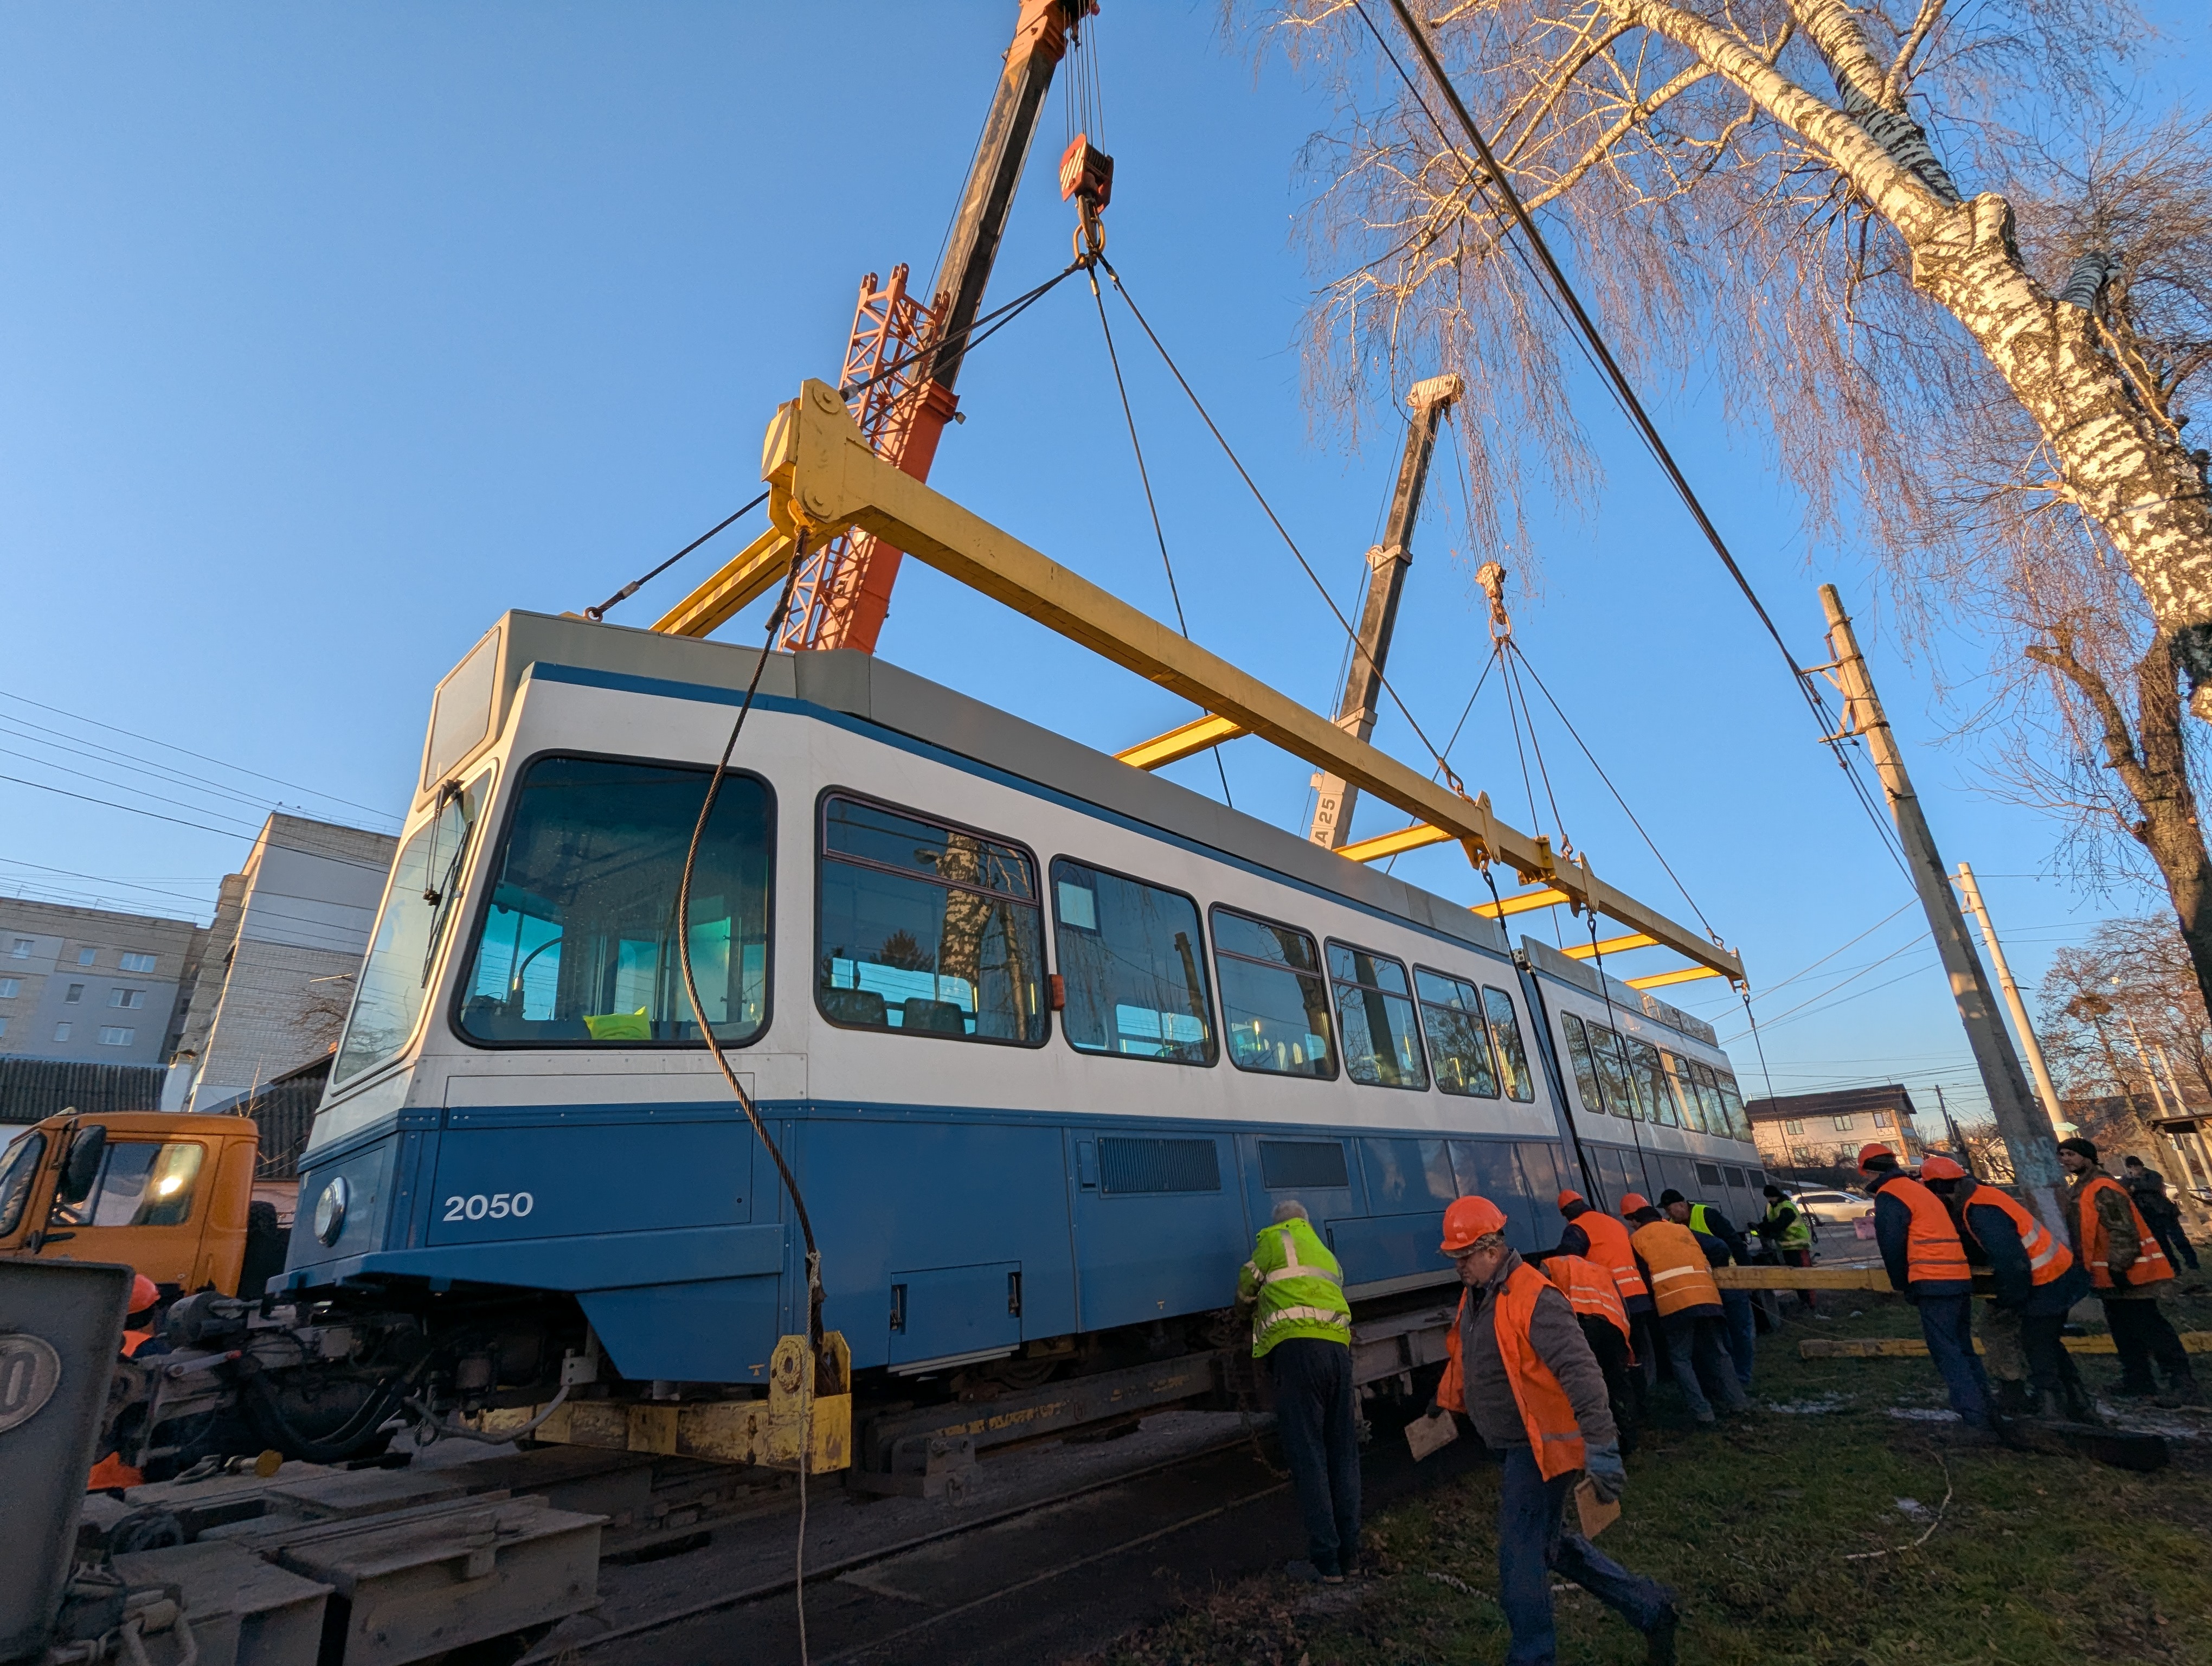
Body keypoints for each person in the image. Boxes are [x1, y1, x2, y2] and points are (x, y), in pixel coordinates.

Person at [1436, 1195, 1678, 1666]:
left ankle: (1533, 1656)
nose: (1458, 1265)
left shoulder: (1534, 1295)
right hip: (1512, 1444)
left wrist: (1603, 1446)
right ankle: (1650, 1607)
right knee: (1554, 1547)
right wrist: (1442, 1401)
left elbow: (1581, 1372)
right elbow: (1471, 1358)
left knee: (1520, 1557)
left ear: (1491, 1248)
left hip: (1540, 1447)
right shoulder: (1478, 1295)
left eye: (1463, 1256)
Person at [1235, 1200, 1360, 1582]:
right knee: (1343, 1454)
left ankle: (1326, 1563)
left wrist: (1243, 1312)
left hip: (1297, 1354)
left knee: (1309, 1457)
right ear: (1306, 1222)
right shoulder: (1324, 1251)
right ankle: (1351, 1559)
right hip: (1339, 1353)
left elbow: (1245, 1287)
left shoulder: (1274, 1241)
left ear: (1281, 1223)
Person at [1920, 1156, 2093, 1422]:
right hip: (2051, 1275)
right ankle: (2075, 1401)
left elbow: (2010, 1259)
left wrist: (2010, 1299)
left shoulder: (1980, 1208)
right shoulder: (1979, 1198)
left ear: (1939, 1189)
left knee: (2036, 1341)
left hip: (2045, 1280)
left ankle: (2051, 1406)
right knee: (2042, 1340)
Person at [2057, 1137, 2202, 1406]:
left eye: (2071, 1154)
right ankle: (2138, 1381)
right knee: (2123, 1331)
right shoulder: (2083, 1187)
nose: (2065, 1159)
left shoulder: (2102, 1187)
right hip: (2109, 1276)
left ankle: (2182, 1384)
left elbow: (2123, 1230)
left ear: (2087, 1157)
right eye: (2062, 1155)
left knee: (2150, 1328)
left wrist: (2119, 1266)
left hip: (2130, 1273)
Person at [1861, 1145, 1993, 1432]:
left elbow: (1892, 1245)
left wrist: (1903, 1285)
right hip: (1957, 1277)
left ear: (1868, 1171)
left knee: (1947, 1351)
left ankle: (1976, 1420)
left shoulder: (1891, 1195)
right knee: (1963, 1348)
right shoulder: (1917, 1189)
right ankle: (1987, 1409)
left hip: (1933, 1282)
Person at [1625, 1198, 1748, 1425]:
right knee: (1719, 1352)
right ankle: (1738, 1402)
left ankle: (1703, 1412)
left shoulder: (1637, 1240)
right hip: (1707, 1298)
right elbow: (1720, 1247)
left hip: (1674, 1305)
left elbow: (1643, 1277)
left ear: (1637, 1222)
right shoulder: (1682, 1230)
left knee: (1681, 1359)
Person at [1547, 1222, 1642, 1453]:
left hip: (1582, 1329)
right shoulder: (1600, 1269)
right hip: (1613, 1328)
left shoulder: (1551, 1265)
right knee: (1618, 1383)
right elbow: (1623, 1307)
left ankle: (1594, 1443)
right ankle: (1630, 1441)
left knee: (1587, 1385)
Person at [1558, 1189, 1658, 1391]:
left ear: (1566, 1213)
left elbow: (1568, 1260)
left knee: (1620, 1351)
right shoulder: (1614, 1223)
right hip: (1638, 1294)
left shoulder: (1577, 1228)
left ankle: (1631, 1395)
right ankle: (1649, 1388)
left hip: (1613, 1299)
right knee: (1642, 1345)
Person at [1661, 1189, 1755, 1391]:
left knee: (1739, 1331)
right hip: (1706, 1286)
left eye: (1671, 1210)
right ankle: (1731, 1378)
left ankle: (1743, 1376)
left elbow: (1734, 1243)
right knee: (1722, 1334)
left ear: (1681, 1204)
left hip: (1730, 1281)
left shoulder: (1706, 1214)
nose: (1670, 1215)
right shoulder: (1671, 1226)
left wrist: (1746, 1276)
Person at [87, 1273, 164, 1492]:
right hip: (121, 1472)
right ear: (150, 1313)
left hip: (84, 1467)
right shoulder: (153, 1350)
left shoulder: (94, 1342)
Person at [2121, 1155, 2201, 1273]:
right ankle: (2174, 1266)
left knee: (2179, 1239)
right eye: (2132, 1167)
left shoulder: (2153, 1175)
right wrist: (2130, 1184)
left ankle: (2192, 1263)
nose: (2135, 1169)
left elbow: (2153, 1186)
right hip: (2148, 1215)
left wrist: (2136, 1187)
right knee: (2162, 1243)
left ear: (2140, 1165)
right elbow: (2122, 1188)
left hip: (2164, 1212)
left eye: (2136, 1166)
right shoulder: (2127, 1179)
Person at [1753, 1184, 1818, 1313]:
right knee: (1796, 1277)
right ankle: (1804, 1303)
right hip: (1786, 1248)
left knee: (1805, 1277)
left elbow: (1780, 1225)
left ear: (1774, 1196)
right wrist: (1761, 1227)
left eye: (1770, 1198)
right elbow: (1768, 1222)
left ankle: (1812, 1306)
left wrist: (1765, 1230)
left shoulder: (1787, 1207)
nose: (1769, 1201)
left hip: (1799, 1246)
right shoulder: (1771, 1207)